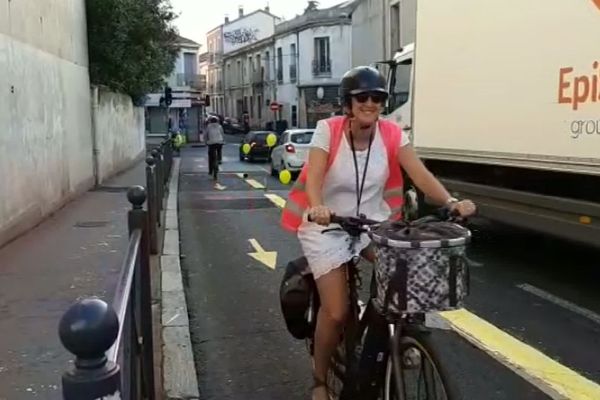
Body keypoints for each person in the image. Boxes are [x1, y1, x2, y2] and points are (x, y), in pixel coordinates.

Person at [279, 66, 477, 400]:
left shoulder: (392, 133)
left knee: (405, 278)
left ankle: (399, 338)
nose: (370, 103)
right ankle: (320, 379)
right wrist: (318, 207)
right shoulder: (328, 130)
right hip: (328, 225)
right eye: (362, 97)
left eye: (378, 97)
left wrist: (451, 201)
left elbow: (421, 174)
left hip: (373, 223)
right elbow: (314, 176)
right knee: (337, 310)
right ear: (348, 103)